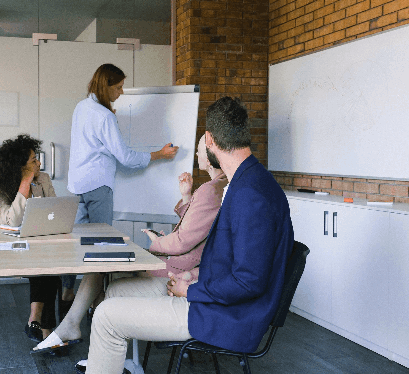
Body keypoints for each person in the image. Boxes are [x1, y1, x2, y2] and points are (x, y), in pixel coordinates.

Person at [75, 96, 294, 374]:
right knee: (116, 291)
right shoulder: (249, 181)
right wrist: (194, 276)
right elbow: (238, 264)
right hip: (214, 297)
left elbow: (249, 282)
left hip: (226, 315)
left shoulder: (249, 193)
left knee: (106, 316)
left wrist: (191, 289)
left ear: (209, 139)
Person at [33, 134, 228, 353]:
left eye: (200, 149)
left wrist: (156, 243)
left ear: (209, 158)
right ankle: (86, 337)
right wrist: (186, 197)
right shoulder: (216, 187)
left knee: (102, 268)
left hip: (174, 268)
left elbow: (183, 240)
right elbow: (195, 228)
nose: (196, 153)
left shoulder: (210, 190)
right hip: (179, 262)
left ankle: (85, 335)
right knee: (102, 269)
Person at [62, 63, 179, 313]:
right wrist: (159, 154)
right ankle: (95, 303)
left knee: (76, 245)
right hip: (97, 187)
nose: (122, 92)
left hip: (76, 185)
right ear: (106, 87)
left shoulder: (81, 107)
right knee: (99, 248)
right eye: (119, 87)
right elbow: (126, 157)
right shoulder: (104, 117)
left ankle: (67, 293)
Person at [0, 134, 74, 341]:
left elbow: (54, 209)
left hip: (37, 242)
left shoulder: (43, 179)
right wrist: (25, 182)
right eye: (33, 160)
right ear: (20, 166)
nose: (39, 164)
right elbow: (11, 221)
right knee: (45, 266)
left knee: (48, 265)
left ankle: (37, 323)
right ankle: (44, 328)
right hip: (9, 246)